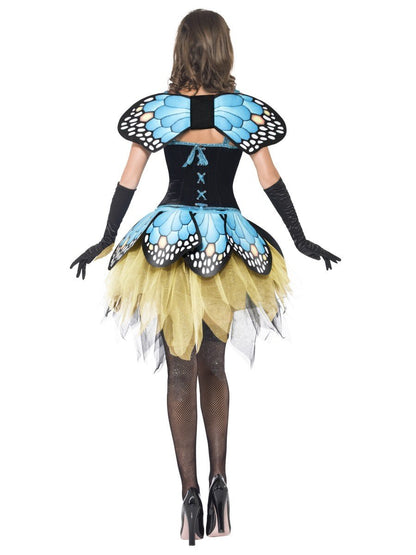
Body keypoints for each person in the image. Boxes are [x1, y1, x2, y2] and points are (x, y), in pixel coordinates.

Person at [70, 8, 341, 546]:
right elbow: (270, 180)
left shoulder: (159, 111)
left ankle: (189, 497)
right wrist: (300, 238)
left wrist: (106, 237)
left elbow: (128, 181)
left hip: (169, 244)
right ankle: (221, 487)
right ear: (223, 49)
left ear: (181, 49)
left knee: (180, 373)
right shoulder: (242, 112)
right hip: (223, 244)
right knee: (214, 367)